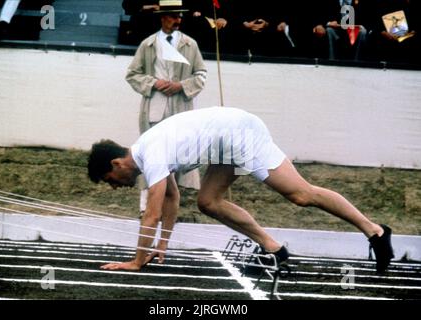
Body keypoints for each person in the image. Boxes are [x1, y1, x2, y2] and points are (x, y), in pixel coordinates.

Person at [87, 106, 395, 274]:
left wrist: (137, 261)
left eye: (109, 179)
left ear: (116, 163)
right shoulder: (146, 152)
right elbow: (171, 196)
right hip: (226, 146)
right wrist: (162, 246)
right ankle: (273, 249)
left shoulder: (149, 154)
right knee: (207, 202)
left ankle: (375, 231)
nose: (113, 186)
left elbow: (152, 215)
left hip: (241, 135)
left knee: (300, 194)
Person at [125, 0, 207, 215]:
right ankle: (146, 207)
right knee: (151, 154)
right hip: (154, 108)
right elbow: (132, 74)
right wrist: (153, 83)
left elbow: (201, 74)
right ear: (163, 18)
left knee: (177, 154)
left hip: (180, 107)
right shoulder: (148, 44)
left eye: (180, 16)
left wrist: (182, 85)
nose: (177, 20)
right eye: (173, 16)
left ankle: (170, 208)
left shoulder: (190, 45)